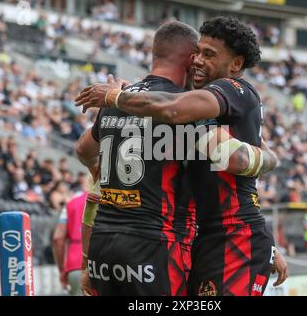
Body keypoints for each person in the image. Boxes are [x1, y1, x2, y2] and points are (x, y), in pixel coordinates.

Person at [75, 16, 288, 296]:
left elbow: (236, 160)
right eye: (198, 53)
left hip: (233, 237)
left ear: (236, 64)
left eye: (208, 55)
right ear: (187, 58)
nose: (199, 60)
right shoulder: (183, 106)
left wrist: (118, 100)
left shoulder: (229, 92)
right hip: (190, 239)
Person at [52, 175, 89, 296]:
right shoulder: (110, 202)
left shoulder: (70, 205)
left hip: (76, 264)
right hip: (106, 266)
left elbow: (58, 238)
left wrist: (62, 270)